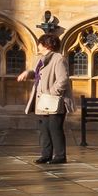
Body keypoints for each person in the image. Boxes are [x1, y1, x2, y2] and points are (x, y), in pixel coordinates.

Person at [19, 28, 70, 166]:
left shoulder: (58, 59)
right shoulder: (40, 59)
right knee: (44, 129)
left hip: (54, 101)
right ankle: (46, 155)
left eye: (40, 43)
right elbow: (36, 74)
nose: (38, 46)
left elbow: (63, 80)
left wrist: (51, 92)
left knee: (54, 128)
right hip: (42, 101)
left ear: (47, 45)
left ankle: (60, 156)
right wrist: (27, 73)